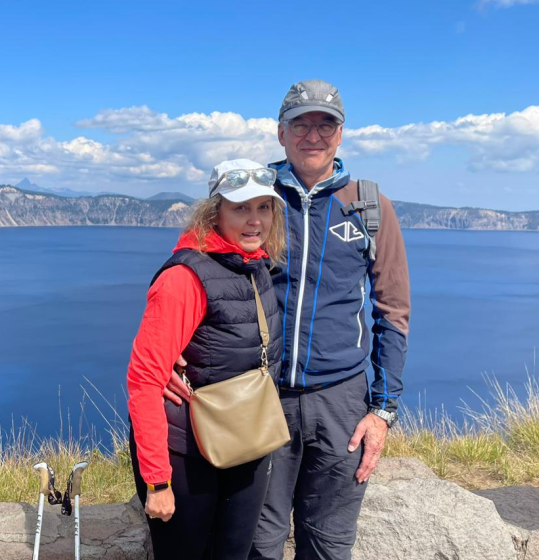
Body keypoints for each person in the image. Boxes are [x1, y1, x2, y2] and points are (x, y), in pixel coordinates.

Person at [165, 80, 411, 560]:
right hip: (260, 393)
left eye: (326, 124)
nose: (313, 135)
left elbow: (392, 311)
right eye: (301, 123)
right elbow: (194, 260)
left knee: (330, 541)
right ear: (281, 133)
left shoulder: (368, 206)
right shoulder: (257, 196)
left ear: (341, 134)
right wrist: (176, 341)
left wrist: (382, 412)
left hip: (340, 400)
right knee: (256, 537)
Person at [126, 158, 287, 559]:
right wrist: (158, 482)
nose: (255, 220)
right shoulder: (185, 278)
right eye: (241, 208)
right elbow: (144, 380)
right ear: (215, 212)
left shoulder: (256, 266)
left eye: (264, 207)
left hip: (244, 440)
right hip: (186, 454)